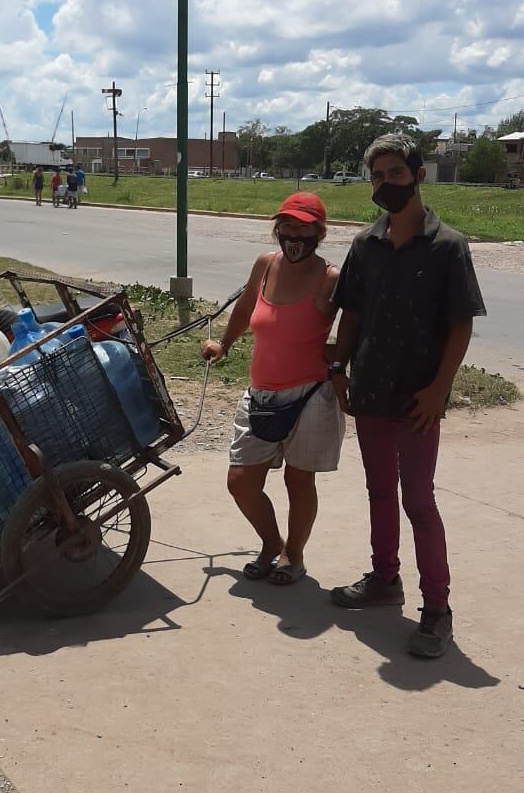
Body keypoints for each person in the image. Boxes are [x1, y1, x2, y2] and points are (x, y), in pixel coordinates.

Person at [329, 134, 486, 658]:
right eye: (377, 176)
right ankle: (384, 580)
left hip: (419, 396)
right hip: (371, 388)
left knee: (418, 500)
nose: (384, 185)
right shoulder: (364, 245)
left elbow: (460, 325)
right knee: (379, 491)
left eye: (395, 174)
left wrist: (439, 389)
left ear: (419, 175)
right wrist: (338, 369)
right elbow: (350, 313)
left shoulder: (447, 246)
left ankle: (437, 610)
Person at [202, 192, 344, 585]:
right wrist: (223, 344)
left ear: (319, 231)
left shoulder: (331, 277)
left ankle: (293, 556)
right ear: (277, 229)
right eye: (288, 225)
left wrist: (341, 361)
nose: (294, 234)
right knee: (241, 481)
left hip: (311, 394)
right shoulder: (265, 265)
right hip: (261, 392)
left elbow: (355, 324)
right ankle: (270, 543)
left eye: (303, 226)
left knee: (299, 480)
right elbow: (246, 309)